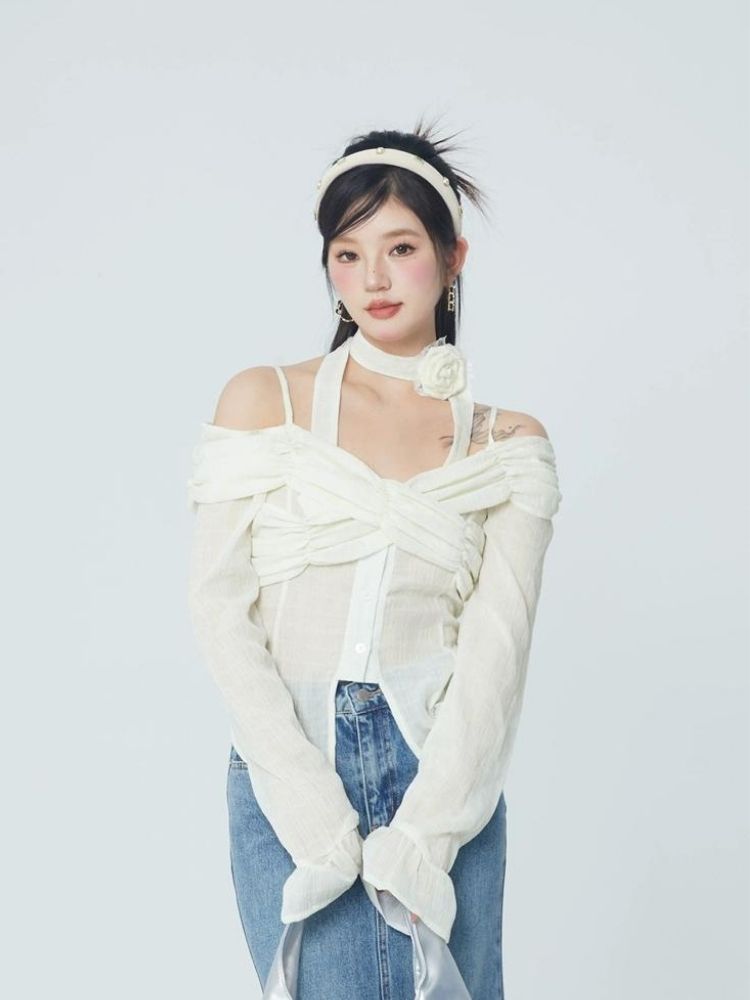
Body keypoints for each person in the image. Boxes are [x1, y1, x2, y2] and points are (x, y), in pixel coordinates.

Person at [186, 118, 562, 999]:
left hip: (444, 775)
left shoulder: (508, 444)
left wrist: (427, 833)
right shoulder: (264, 402)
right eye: (348, 255)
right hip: (290, 764)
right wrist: (307, 804)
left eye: (401, 248)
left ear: (453, 257)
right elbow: (218, 608)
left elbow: (497, 653)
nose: (375, 279)